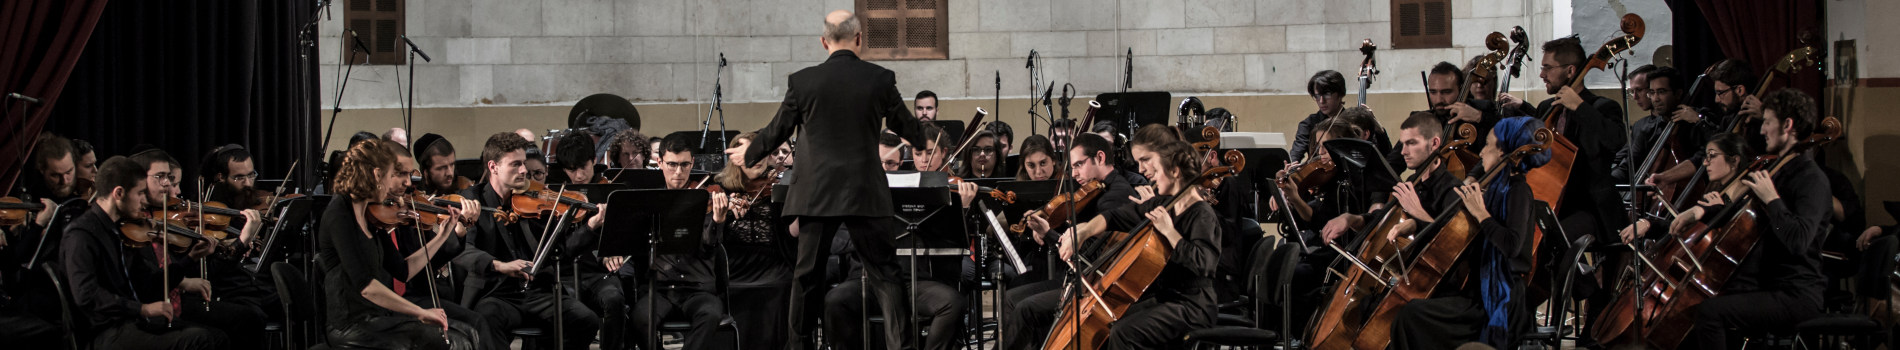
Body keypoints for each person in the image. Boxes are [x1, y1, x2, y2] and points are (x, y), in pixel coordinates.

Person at [741, 11, 932, 349]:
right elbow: (904, 123)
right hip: (865, 191)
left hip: (816, 193)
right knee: (886, 275)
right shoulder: (880, 78)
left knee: (807, 276)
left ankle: (798, 346)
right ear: (859, 39)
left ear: (824, 41)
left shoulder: (802, 81)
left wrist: (750, 154)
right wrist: (921, 139)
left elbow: (777, 129)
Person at [1676, 89, 1829, 349]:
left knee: (1710, 314)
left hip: (1795, 293)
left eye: (1768, 122)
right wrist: (1699, 212)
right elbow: (1738, 210)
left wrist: (1773, 200)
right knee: (1689, 309)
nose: (1761, 130)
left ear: (1788, 125)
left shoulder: (1810, 179)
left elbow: (1799, 241)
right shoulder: (1776, 169)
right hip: (1763, 284)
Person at [1388, 116, 1546, 349]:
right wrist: (1415, 223)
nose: (1481, 152)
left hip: (1498, 298)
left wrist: (1481, 213)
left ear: (1503, 152)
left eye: (1488, 144)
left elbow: (1512, 246)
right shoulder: (1495, 187)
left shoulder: (1518, 190)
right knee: (1408, 309)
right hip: (1479, 288)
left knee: (1410, 316)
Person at [1052, 132, 1220, 349]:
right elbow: (1116, 217)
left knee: (1124, 333)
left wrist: (1170, 232)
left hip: (1193, 305)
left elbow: (1205, 263)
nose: (1150, 176)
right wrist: (1082, 231)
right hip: (1165, 298)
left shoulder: (1201, 213)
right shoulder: (1161, 204)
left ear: (1175, 172)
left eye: (1157, 171)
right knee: (1111, 322)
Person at [316, 139, 477, 349]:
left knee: (468, 333)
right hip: (350, 325)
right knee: (452, 343)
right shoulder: (339, 213)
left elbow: (403, 270)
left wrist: (443, 234)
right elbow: (366, 287)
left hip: (379, 316)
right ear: (376, 175)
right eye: (394, 174)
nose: (408, 183)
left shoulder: (370, 214)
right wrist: (420, 312)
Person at [451, 133, 603, 350]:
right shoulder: (472, 200)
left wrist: (590, 227)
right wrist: (500, 265)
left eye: (523, 163)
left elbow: (559, 251)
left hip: (536, 291)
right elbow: (462, 250)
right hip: (495, 293)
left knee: (585, 320)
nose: (524, 170)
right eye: (515, 164)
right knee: (486, 318)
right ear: (493, 167)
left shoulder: (534, 199)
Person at [61, 156, 229, 349]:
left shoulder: (119, 232)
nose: (144, 200)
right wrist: (142, 309)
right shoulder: (82, 234)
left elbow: (148, 285)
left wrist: (191, 258)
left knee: (218, 337)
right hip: (104, 333)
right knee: (201, 340)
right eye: (140, 193)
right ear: (119, 193)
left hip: (130, 323)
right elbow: (87, 295)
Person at [1000, 133, 1140, 350]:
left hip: (1093, 285)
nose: (1073, 174)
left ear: (1100, 158)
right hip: (1079, 278)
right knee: (1011, 298)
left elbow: (1092, 256)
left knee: (1025, 308)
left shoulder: (1115, 196)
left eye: (1078, 165)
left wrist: (1050, 234)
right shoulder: (1097, 189)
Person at [617, 133, 728, 350]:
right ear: (659, 163)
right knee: (640, 320)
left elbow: (710, 245)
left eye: (685, 165)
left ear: (692, 163)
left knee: (710, 314)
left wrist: (717, 220)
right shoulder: (649, 203)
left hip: (698, 289)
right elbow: (632, 242)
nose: (678, 172)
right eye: (672, 164)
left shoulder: (704, 198)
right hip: (659, 290)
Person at [711, 132, 794, 350]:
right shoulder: (721, 189)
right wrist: (722, 215)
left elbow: (789, 234)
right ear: (736, 159)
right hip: (735, 266)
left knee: (785, 284)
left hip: (772, 264)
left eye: (761, 152)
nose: (757, 159)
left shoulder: (779, 186)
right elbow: (709, 240)